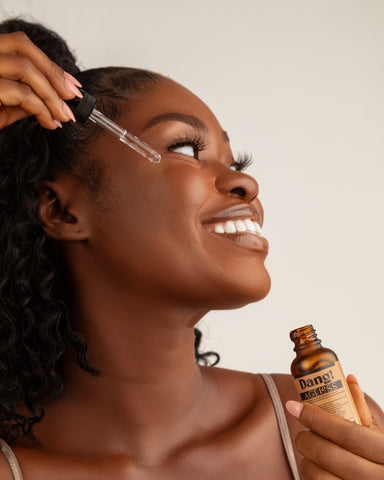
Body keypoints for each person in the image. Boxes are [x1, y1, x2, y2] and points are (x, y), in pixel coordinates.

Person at [0, 18, 383, 480]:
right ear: (61, 212)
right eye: (185, 148)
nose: (246, 182)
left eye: (235, 160)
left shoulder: (323, 433)